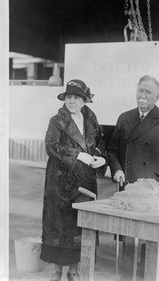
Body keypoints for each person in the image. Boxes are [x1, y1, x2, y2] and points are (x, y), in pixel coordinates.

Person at [40, 79, 107, 281]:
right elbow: (51, 146)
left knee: (81, 227)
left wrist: (99, 157)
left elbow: (100, 142)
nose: (71, 101)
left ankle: (74, 271)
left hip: (84, 183)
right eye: (68, 97)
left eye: (76, 97)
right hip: (60, 184)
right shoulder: (56, 120)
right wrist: (77, 155)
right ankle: (57, 273)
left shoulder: (91, 120)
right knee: (61, 228)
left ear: (84, 100)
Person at [109, 75, 159, 194]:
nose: (142, 96)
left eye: (148, 92)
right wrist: (117, 169)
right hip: (127, 186)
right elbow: (113, 151)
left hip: (154, 189)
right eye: (140, 91)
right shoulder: (124, 117)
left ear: (157, 97)